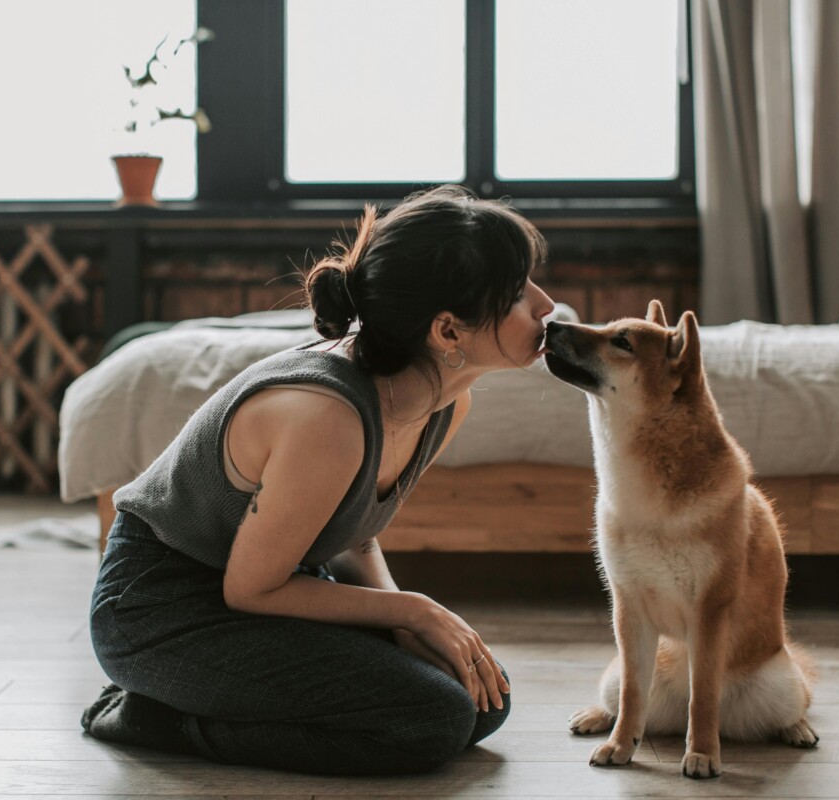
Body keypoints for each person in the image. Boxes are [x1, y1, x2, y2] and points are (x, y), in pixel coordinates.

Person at [81, 184, 556, 776]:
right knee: (433, 719)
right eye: (517, 293)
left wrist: (402, 619)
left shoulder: (444, 403)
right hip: (162, 610)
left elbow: (354, 532)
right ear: (448, 332)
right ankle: (155, 715)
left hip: (271, 586)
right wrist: (413, 612)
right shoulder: (325, 417)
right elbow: (250, 591)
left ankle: (208, 698)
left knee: (484, 700)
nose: (546, 305)